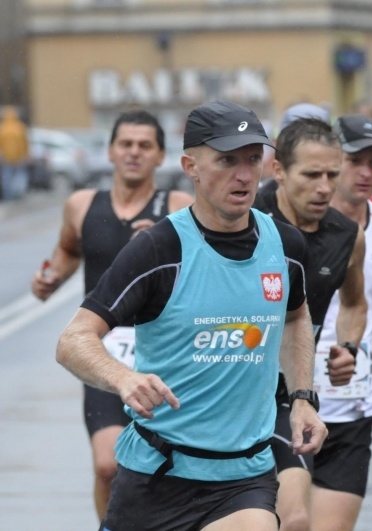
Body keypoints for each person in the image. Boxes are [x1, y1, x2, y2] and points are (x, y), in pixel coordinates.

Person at [55, 99, 326, 530]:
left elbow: (294, 318)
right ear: (190, 166)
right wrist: (123, 378)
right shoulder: (159, 250)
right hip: (157, 476)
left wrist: (302, 399)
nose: (243, 174)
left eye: (253, 159)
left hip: (244, 477)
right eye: (226, 160)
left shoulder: (285, 246)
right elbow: (72, 339)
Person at [30, 109, 194, 520]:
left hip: (166, 353)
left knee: (169, 470)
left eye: (144, 146)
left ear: (160, 156)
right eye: (126, 144)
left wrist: (159, 246)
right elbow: (68, 250)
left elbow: (203, 271)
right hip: (104, 352)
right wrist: (50, 278)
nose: (134, 153)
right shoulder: (82, 204)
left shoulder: (179, 208)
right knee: (107, 466)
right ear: (110, 151)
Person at [253, 117, 367, 531]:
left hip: (290, 395)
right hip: (227, 392)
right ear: (279, 170)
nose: (324, 187)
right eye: (311, 174)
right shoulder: (246, 220)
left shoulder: (346, 235)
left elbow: (354, 303)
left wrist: (348, 347)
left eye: (332, 175)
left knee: (296, 518)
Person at [309, 114, 372, 531]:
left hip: (352, 406)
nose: (367, 172)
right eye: (356, 160)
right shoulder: (293, 224)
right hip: (286, 406)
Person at [0, 105, 30, 200]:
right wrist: (26, 154)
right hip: (19, 158)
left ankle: (8, 195)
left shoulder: (2, 129)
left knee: (6, 178)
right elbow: (25, 143)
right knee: (19, 176)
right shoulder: (20, 127)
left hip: (6, 158)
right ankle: (18, 194)